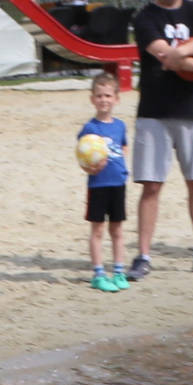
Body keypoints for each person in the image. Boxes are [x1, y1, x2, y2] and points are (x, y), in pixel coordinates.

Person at [127, 0, 193, 280]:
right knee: (151, 186)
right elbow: (165, 57)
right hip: (154, 110)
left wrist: (183, 50)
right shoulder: (145, 16)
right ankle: (144, 255)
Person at [80, 72, 133, 292]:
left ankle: (119, 272)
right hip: (98, 185)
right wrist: (89, 167)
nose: (104, 100)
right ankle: (99, 273)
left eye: (108, 96)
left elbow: (123, 147)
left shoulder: (120, 126)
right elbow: (82, 156)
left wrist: (122, 167)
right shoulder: (90, 128)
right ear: (93, 99)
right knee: (98, 230)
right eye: (99, 96)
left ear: (116, 98)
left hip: (117, 184)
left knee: (118, 230)